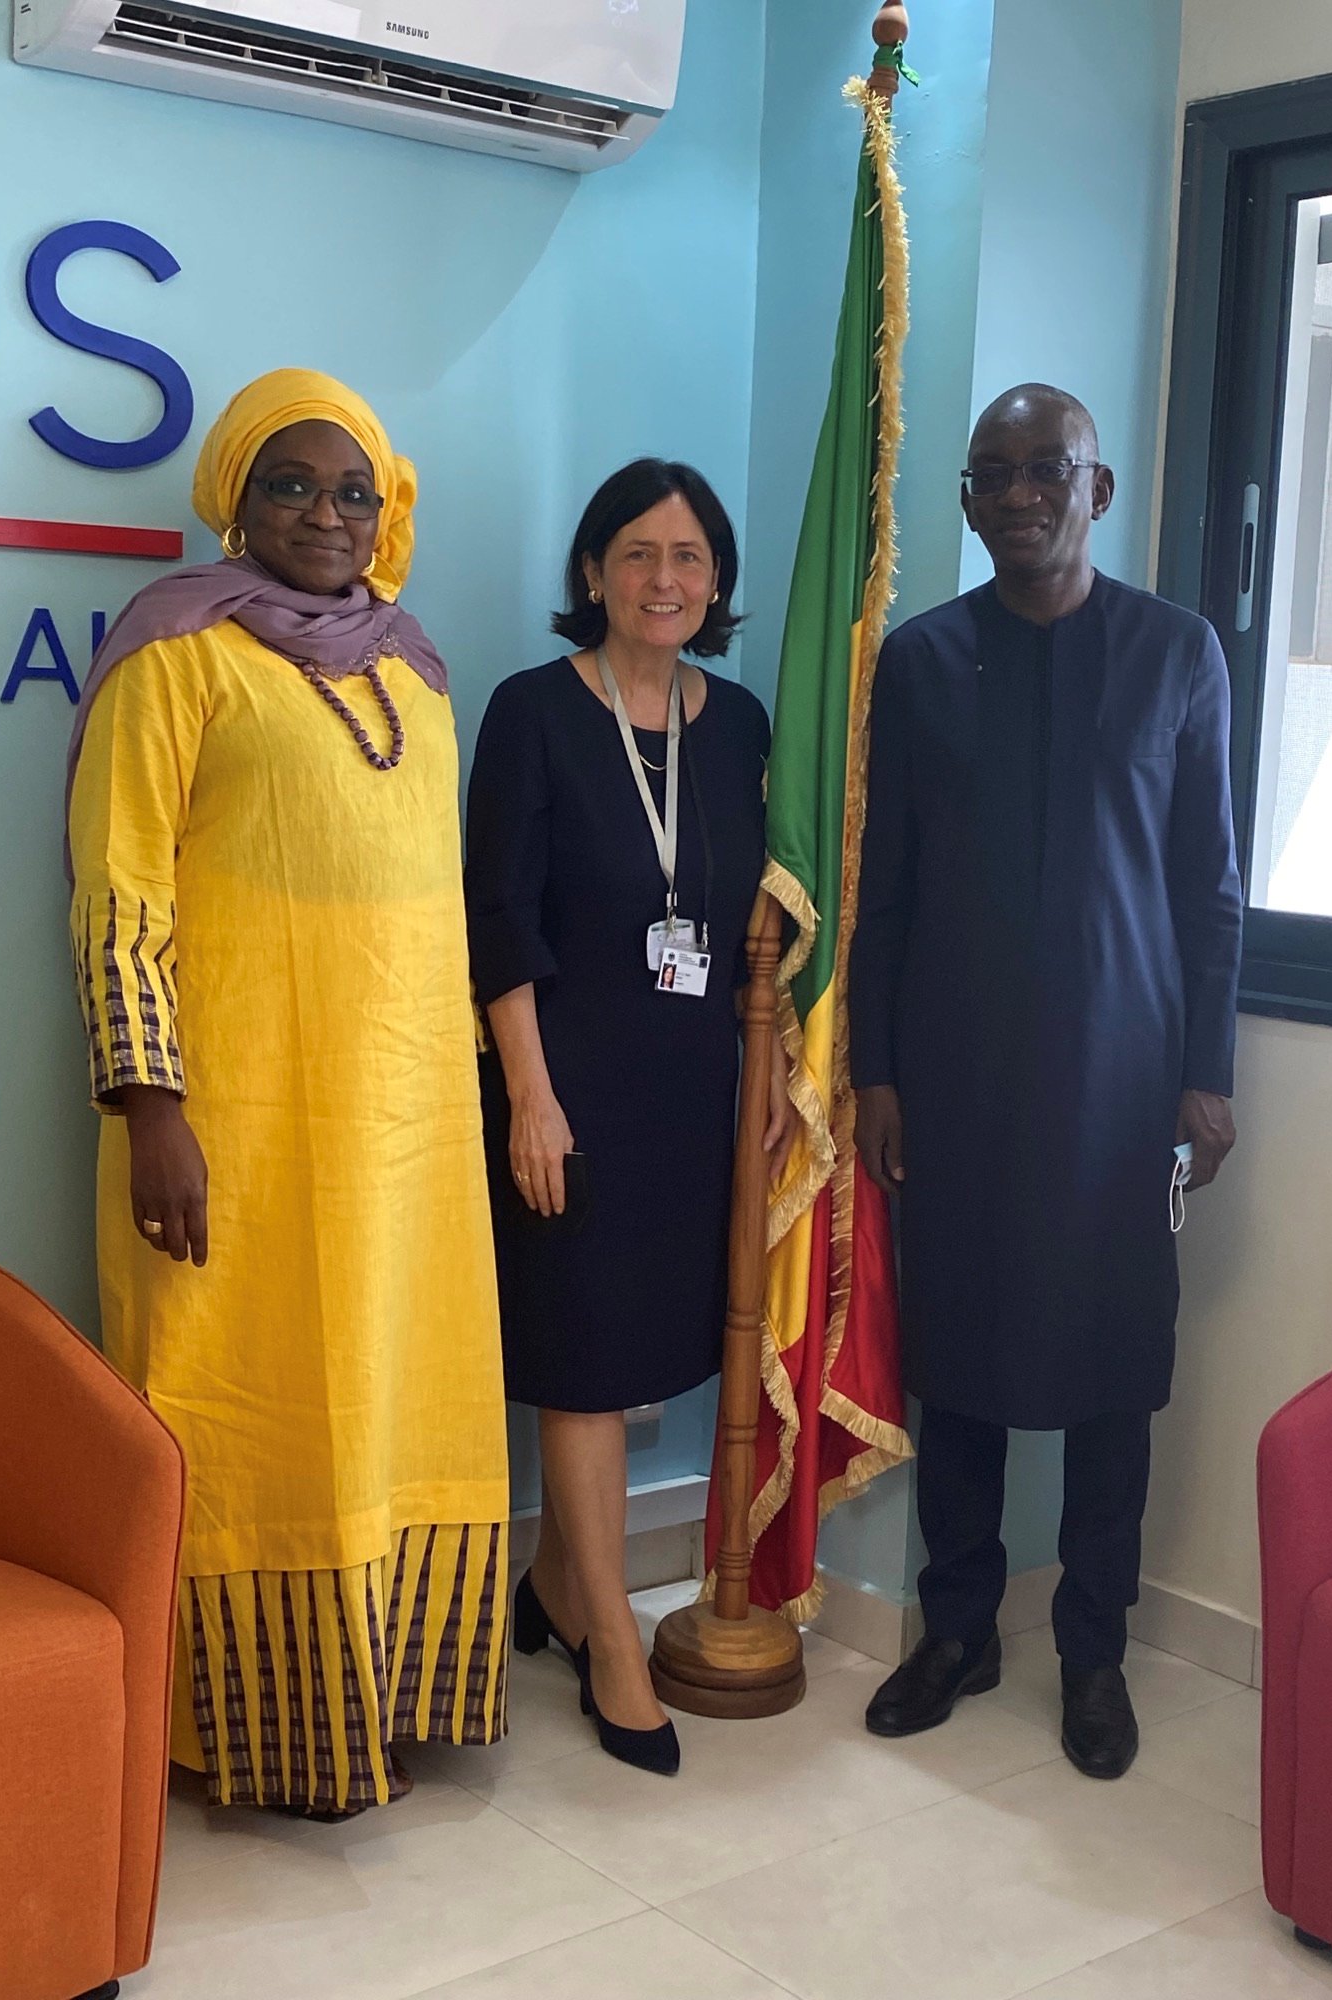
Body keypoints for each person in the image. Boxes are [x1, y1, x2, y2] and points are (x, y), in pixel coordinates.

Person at [67, 369, 510, 1819]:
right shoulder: (172, 653)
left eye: (353, 492)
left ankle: (390, 1699)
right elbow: (118, 889)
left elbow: (429, 906)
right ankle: (240, 1728)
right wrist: (152, 1108)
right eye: (292, 486)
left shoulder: (419, 670)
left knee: (397, 1389)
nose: (327, 515)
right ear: (234, 499)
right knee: (237, 1398)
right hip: (233, 1127)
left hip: (406, 1128)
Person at [849, 384, 1242, 1779]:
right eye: (996, 474)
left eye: (1048, 469)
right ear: (967, 501)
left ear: (1100, 487)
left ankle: (1093, 1650)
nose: (1023, 493)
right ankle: (956, 1627)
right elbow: (881, 892)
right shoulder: (918, 662)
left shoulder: (1179, 654)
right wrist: (875, 1072)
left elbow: (1209, 889)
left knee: (1110, 1372)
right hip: (951, 1078)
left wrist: (1208, 1076)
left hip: (1127, 1088)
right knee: (954, 1363)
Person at [464, 459, 793, 1777]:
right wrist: (530, 1098)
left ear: (717, 581)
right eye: (638, 553)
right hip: (570, 1087)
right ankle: (610, 1636)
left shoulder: (744, 725)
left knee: (642, 1350)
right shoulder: (534, 712)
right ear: (592, 571)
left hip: (688, 1098)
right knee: (585, 1361)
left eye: (690, 557)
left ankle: (554, 1581)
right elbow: (499, 919)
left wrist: (763, 1096)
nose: (666, 579)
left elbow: (760, 930)